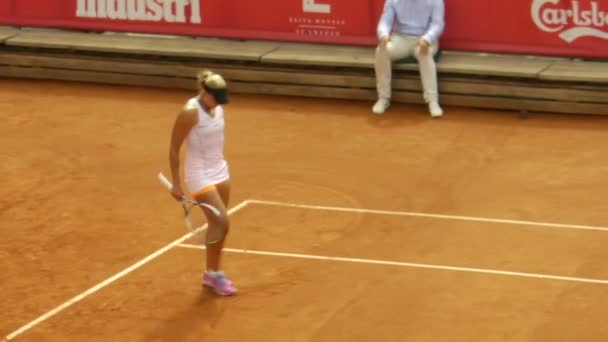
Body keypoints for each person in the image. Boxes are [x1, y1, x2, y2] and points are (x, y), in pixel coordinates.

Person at [167, 69, 237, 296]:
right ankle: (214, 274)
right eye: (216, 97)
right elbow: (174, 148)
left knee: (218, 227)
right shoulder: (189, 112)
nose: (219, 103)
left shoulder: (218, 108)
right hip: (199, 174)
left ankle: (213, 273)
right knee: (222, 221)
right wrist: (177, 184)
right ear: (205, 93)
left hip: (220, 170)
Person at [372, 0, 445, 118]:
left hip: (424, 38)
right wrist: (383, 35)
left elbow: (437, 24)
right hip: (401, 38)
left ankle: (432, 101)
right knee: (381, 51)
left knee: (425, 55)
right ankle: (383, 98)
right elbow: (385, 21)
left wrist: (427, 39)